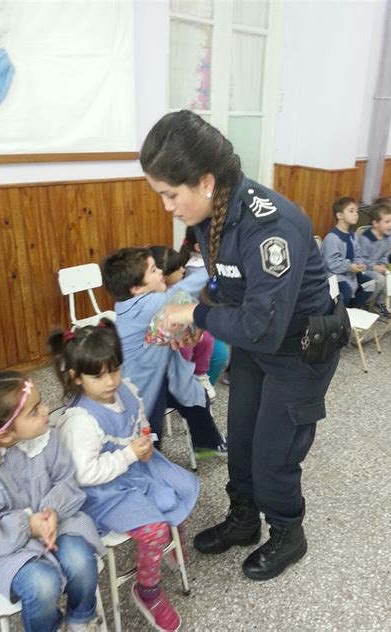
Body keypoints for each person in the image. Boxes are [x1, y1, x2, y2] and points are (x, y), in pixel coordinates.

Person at [139, 110, 340, 582]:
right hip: (256, 339)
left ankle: (289, 532)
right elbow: (225, 284)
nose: (167, 206)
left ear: (205, 181)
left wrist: (197, 315)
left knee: (274, 452)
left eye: (171, 194)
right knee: (243, 437)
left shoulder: (272, 226)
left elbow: (262, 326)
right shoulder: (211, 214)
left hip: (298, 347)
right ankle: (244, 520)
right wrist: (200, 313)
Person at [49, 320, 199, 632]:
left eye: (114, 369)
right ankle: (147, 590)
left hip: (136, 466)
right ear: (76, 378)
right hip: (105, 491)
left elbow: (138, 417)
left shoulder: (125, 389)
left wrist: (143, 437)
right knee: (155, 528)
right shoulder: (80, 421)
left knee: (181, 486)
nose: (110, 381)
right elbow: (86, 473)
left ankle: (171, 538)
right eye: (98, 375)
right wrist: (130, 454)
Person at [0, 371, 104, 632]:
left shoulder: (47, 439)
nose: (47, 409)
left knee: (81, 562)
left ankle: (80, 618)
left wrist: (52, 509)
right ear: (5, 435)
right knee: (43, 585)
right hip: (6, 548)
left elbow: (66, 479)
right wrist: (27, 526)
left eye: (41, 402)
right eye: (34, 410)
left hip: (59, 521)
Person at [101, 246, 226, 456]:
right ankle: (150, 469)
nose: (161, 272)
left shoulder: (135, 302)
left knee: (197, 398)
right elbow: (184, 291)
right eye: (152, 270)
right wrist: (216, 265)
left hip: (163, 373)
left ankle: (207, 444)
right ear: (136, 288)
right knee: (150, 427)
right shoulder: (144, 305)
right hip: (142, 384)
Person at [150, 244, 217, 402]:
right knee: (183, 347)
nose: (183, 269)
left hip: (186, 328)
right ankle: (185, 381)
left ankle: (199, 375)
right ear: (164, 275)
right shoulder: (156, 297)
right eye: (177, 268)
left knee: (206, 339)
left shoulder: (180, 288)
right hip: (163, 347)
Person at [180, 227, 230, 388]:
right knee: (217, 353)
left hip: (206, 320)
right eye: (216, 242)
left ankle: (203, 384)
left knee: (220, 354)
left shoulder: (206, 264)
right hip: (196, 321)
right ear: (198, 247)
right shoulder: (196, 270)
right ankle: (196, 386)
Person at [321, 196, 376, 307]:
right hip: (334, 275)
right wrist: (350, 266)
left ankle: (353, 309)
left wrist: (360, 264)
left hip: (350, 273)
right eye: (351, 211)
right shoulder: (332, 238)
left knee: (370, 284)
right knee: (345, 291)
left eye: (356, 211)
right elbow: (332, 264)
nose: (356, 214)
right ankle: (341, 314)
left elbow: (358, 254)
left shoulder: (353, 236)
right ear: (340, 215)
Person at [359, 203, 391, 319]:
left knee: (389, 274)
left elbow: (385, 255)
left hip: (377, 267)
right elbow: (361, 259)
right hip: (364, 269)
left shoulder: (386, 237)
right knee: (380, 279)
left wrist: (383, 264)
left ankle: (380, 303)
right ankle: (366, 301)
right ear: (375, 223)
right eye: (387, 222)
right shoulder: (366, 239)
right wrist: (375, 267)